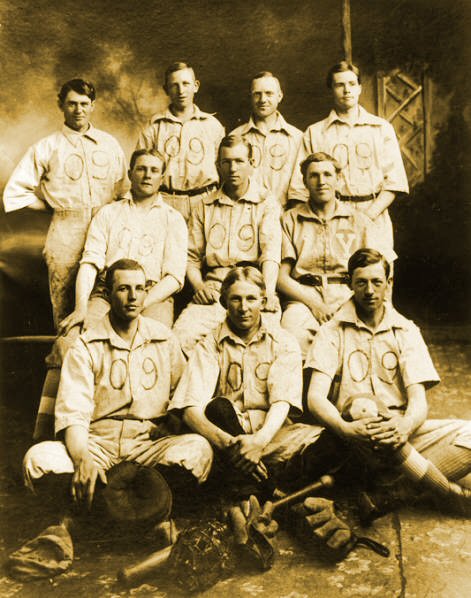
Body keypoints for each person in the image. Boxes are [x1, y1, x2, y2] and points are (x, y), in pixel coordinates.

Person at [23, 258, 213, 511]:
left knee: (198, 450)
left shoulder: (164, 338)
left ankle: (99, 510)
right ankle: (137, 510)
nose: (133, 297)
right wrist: (82, 460)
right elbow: (74, 415)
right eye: (123, 289)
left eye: (139, 288)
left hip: (147, 445)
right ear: (109, 294)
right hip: (98, 443)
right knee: (37, 460)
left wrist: (170, 426)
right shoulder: (86, 345)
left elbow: (181, 399)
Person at [34, 149, 188, 440]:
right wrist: (81, 309)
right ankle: (50, 435)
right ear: (130, 174)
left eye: (154, 170)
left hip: (153, 294)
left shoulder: (173, 219)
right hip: (107, 293)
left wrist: (140, 300)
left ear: (162, 177)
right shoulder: (109, 213)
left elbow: (174, 277)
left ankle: (153, 434)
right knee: (70, 341)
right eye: (141, 168)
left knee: (158, 346)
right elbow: (90, 262)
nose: (147, 175)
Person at [305, 248, 471, 515]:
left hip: (400, 434)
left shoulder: (406, 330)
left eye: (376, 282)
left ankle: (392, 494)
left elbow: (418, 401)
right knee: (363, 406)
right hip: (355, 435)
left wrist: (404, 428)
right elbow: (315, 398)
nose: (369, 290)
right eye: (361, 282)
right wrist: (345, 429)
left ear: (388, 284)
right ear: (350, 284)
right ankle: (424, 486)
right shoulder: (331, 331)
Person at [170, 266, 321, 485]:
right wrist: (233, 448)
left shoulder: (284, 342)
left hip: (271, 434)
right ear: (224, 303)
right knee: (217, 409)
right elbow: (191, 411)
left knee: (328, 441)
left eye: (251, 299)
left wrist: (258, 443)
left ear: (263, 301)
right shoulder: (209, 344)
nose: (243, 308)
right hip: (227, 434)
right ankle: (260, 481)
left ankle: (251, 481)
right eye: (236, 299)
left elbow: (282, 402)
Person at [3, 78, 127, 328]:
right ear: (61, 106)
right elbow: (14, 192)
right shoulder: (47, 147)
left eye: (84, 103)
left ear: (93, 105)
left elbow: (125, 189)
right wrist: (51, 207)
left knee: (110, 298)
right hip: (65, 232)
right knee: (65, 307)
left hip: (107, 227)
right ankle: (65, 362)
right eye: (72, 104)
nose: (78, 110)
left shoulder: (109, 144)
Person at [172, 134, 282, 356]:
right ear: (217, 165)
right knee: (178, 340)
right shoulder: (205, 205)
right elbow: (190, 257)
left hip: (254, 289)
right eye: (226, 162)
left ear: (252, 164)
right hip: (215, 290)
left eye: (239, 161)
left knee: (269, 345)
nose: (233, 168)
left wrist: (267, 292)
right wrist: (199, 287)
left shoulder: (265, 202)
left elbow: (270, 253)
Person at [278, 152, 395, 358]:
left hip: (348, 296)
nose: (321, 181)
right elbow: (280, 278)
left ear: (338, 179)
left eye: (327, 175)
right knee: (291, 337)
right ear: (304, 181)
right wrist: (316, 305)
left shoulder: (358, 220)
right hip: (303, 298)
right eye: (313, 175)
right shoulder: (290, 220)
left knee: (356, 343)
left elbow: (380, 268)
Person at [288, 62, 408, 248]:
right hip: (329, 217)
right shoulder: (315, 132)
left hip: (373, 215)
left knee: (374, 273)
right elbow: (300, 187)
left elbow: (395, 182)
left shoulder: (381, 128)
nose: (346, 90)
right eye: (339, 85)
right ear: (331, 90)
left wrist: (367, 216)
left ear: (360, 88)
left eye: (352, 84)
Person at [136, 61, 225, 222]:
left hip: (205, 200)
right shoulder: (154, 126)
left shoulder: (212, 125)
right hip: (165, 201)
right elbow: (140, 171)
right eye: (174, 85)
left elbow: (224, 169)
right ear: (166, 90)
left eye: (186, 84)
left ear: (196, 86)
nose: (181, 91)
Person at [230, 71, 302, 208]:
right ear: (250, 97)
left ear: (280, 96)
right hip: (245, 215)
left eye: (269, 93)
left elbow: (300, 190)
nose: (263, 100)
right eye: (257, 94)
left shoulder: (297, 138)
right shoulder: (236, 137)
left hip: (285, 216)